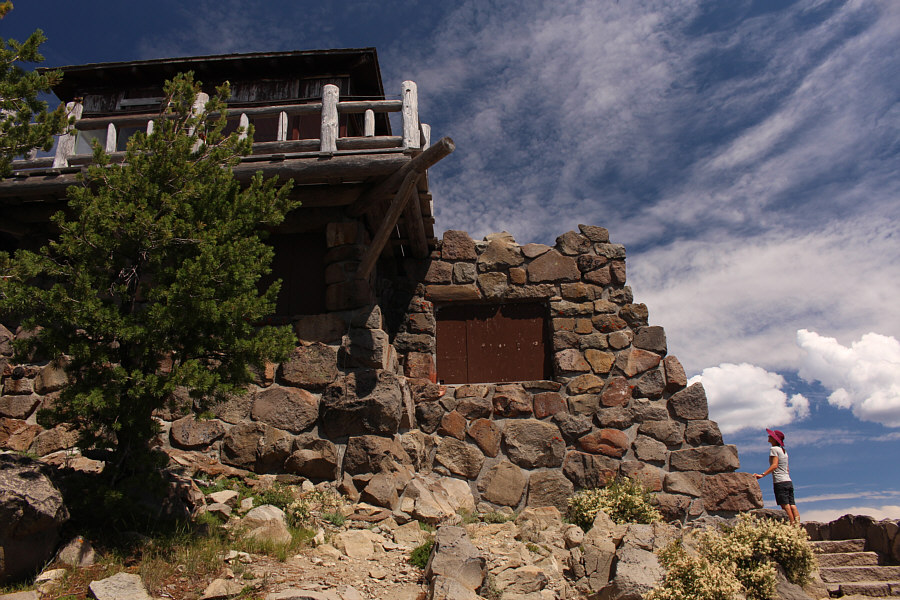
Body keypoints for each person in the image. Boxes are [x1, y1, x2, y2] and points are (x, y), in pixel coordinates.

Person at [755, 428, 800, 525]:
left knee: (785, 506)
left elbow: (774, 465)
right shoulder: (784, 451)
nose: (768, 436)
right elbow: (787, 468)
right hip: (788, 481)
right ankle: (798, 526)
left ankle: (792, 527)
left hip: (780, 482)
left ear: (775, 439)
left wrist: (762, 475)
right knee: (792, 505)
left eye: (770, 436)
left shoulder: (773, 449)